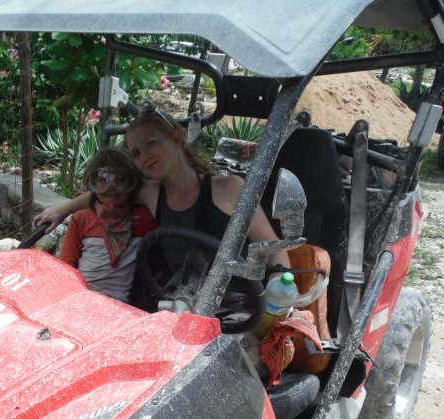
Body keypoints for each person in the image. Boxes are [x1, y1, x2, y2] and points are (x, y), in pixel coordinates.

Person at [36, 104, 290, 275]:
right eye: (136, 153)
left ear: (176, 139)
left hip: (236, 306)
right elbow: (107, 191)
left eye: (151, 144)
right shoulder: (150, 193)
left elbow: (274, 248)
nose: (144, 156)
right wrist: (63, 209)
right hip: (180, 306)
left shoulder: (228, 188)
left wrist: (280, 293)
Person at [58, 147, 155, 302]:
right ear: (92, 184)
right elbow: (64, 268)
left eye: (121, 180)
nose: (111, 188)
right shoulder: (82, 218)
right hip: (79, 298)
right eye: (102, 179)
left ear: (134, 183)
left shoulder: (145, 218)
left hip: (122, 306)